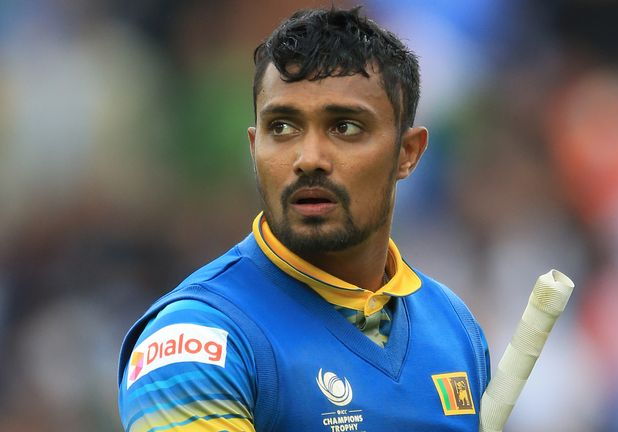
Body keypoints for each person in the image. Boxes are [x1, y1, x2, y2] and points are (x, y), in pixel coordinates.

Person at [117, 7, 490, 431]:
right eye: (282, 127)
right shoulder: (195, 339)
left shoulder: (455, 327)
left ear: (408, 153)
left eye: (345, 127)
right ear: (254, 148)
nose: (309, 158)